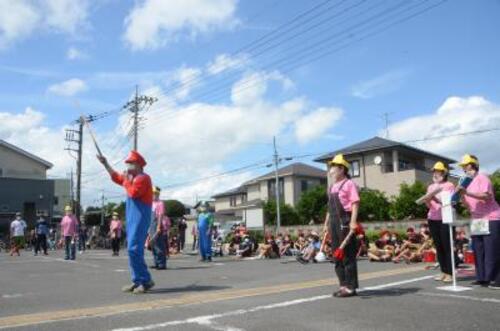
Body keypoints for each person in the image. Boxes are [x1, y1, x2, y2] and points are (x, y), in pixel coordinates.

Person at [97, 150, 155, 294]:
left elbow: (134, 193)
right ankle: (138, 280)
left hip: (140, 217)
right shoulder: (132, 178)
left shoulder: (143, 178)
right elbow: (116, 177)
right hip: (132, 217)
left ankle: (145, 280)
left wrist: (127, 180)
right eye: (128, 163)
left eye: (131, 163)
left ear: (139, 165)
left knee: (134, 248)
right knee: (132, 249)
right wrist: (106, 164)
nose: (128, 165)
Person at [457, 154, 500, 290]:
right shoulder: (465, 182)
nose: (464, 168)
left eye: (466, 165)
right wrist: (461, 195)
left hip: (491, 217)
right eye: (463, 166)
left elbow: (487, 196)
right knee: (478, 250)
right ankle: (482, 278)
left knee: (492, 250)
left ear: (473, 165)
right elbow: (467, 205)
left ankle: (496, 279)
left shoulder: (483, 178)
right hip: (477, 220)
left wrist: (467, 193)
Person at [324, 154, 360, 298]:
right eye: (331, 167)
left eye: (333, 167)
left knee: (347, 255)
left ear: (341, 169)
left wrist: (353, 221)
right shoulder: (332, 187)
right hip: (333, 223)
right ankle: (343, 285)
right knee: (336, 256)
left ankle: (351, 287)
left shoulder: (349, 184)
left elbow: (355, 203)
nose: (331, 170)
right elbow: (329, 208)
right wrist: (326, 224)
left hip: (344, 222)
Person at [422, 162, 456, 282]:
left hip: (445, 218)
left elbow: (450, 202)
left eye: (437, 171)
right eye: (434, 171)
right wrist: (427, 200)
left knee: (447, 246)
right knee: (439, 246)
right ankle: (443, 271)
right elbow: (429, 205)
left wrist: (435, 198)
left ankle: (450, 273)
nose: (435, 174)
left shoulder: (449, 185)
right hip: (433, 218)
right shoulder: (431, 187)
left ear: (444, 173)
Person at [148, 186, 167, 270]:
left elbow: (160, 216)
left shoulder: (160, 203)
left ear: (158, 194)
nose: (153, 195)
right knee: (153, 245)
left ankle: (161, 264)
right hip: (151, 225)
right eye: (152, 193)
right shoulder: (151, 203)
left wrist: (159, 226)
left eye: (155, 193)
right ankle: (156, 262)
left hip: (157, 225)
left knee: (159, 245)